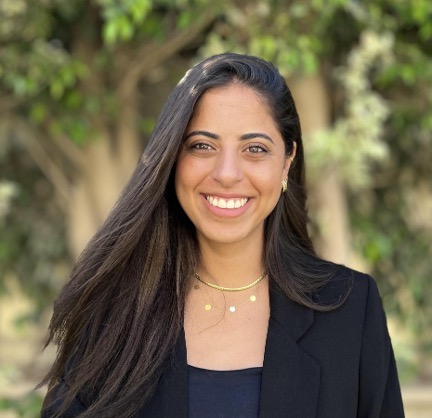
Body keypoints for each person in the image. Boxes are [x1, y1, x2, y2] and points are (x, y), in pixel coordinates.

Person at [40, 53, 404, 418]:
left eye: (255, 149)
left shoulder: (350, 309)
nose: (227, 174)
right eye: (202, 145)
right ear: (173, 159)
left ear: (287, 161)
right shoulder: (112, 313)